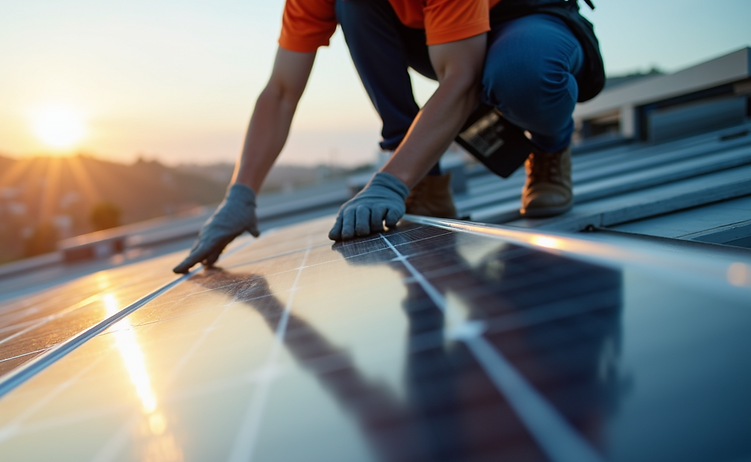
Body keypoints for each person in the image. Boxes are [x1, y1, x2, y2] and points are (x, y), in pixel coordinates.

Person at [173, 0, 603, 274]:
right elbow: (282, 91)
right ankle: (426, 182)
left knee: (522, 75)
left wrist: (388, 182)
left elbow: (461, 80)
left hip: (528, 17)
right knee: (354, 5)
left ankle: (551, 148)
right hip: (448, 37)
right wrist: (240, 195)